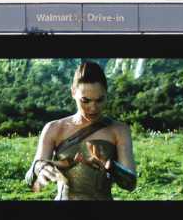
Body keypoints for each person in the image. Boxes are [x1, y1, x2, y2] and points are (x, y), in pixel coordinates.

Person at [25, 61, 138, 201]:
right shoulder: (54, 128)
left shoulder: (119, 130)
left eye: (100, 100)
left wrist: (109, 165)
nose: (93, 108)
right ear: (73, 92)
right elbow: (30, 181)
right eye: (85, 101)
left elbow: (130, 184)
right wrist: (39, 167)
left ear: (106, 94)